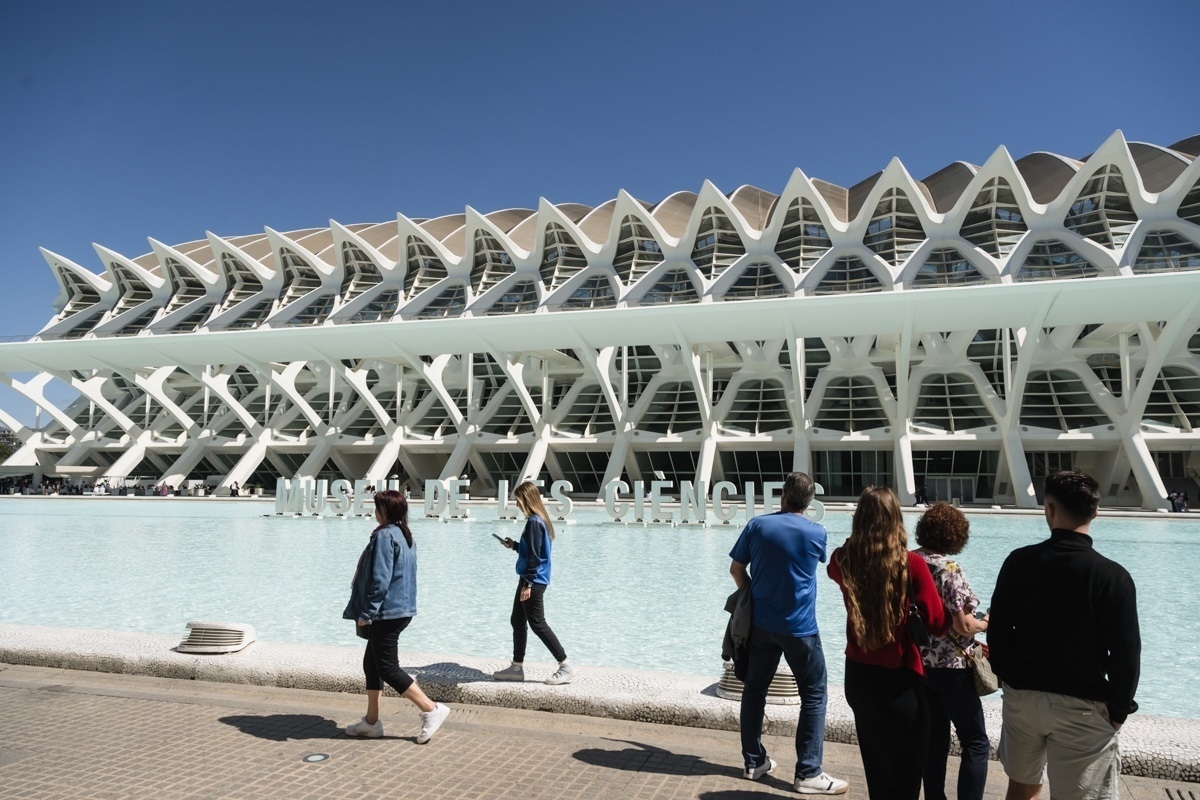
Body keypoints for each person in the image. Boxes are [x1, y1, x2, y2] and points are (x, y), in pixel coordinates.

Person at [989, 471, 1140, 800]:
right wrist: (1117, 712)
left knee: (1021, 789)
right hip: (1082, 704)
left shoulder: (1018, 562)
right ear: (1095, 512)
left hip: (1023, 698)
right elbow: (1126, 655)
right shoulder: (1113, 577)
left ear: (1050, 509)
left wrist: (1009, 679)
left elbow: (998, 633)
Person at [728, 471, 848, 794]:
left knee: (754, 690)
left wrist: (749, 592)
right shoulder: (816, 533)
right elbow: (819, 562)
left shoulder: (757, 526)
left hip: (761, 626)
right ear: (809, 502)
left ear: (782, 495)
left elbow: (736, 569)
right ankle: (808, 771)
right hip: (800, 629)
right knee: (814, 694)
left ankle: (754, 762)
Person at [828, 486, 950, 800]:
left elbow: (832, 567)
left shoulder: (844, 559)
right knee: (907, 775)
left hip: (858, 677)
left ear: (859, 519)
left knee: (878, 768)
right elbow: (937, 624)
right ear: (896, 518)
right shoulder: (911, 564)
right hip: (900, 681)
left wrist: (857, 539)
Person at [343, 489, 450, 743]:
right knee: (372, 664)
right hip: (401, 609)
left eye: (377, 507)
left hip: (386, 612)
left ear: (385, 511)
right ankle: (371, 722)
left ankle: (431, 709)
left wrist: (367, 612)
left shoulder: (384, 536)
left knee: (388, 669)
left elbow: (381, 579)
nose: (374, 512)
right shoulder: (404, 534)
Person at [913, 503, 990, 800]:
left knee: (935, 740)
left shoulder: (910, 560)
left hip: (922, 663)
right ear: (956, 536)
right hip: (953, 667)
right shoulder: (949, 569)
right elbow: (963, 625)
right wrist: (984, 623)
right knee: (975, 741)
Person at [492, 480, 576, 685]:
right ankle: (516, 667)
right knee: (517, 620)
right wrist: (514, 546)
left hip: (533, 579)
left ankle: (566, 665)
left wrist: (527, 584)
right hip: (530, 578)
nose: (517, 504)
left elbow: (535, 558)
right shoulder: (539, 521)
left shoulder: (534, 522)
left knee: (537, 623)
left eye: (518, 500)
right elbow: (532, 551)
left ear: (526, 499)